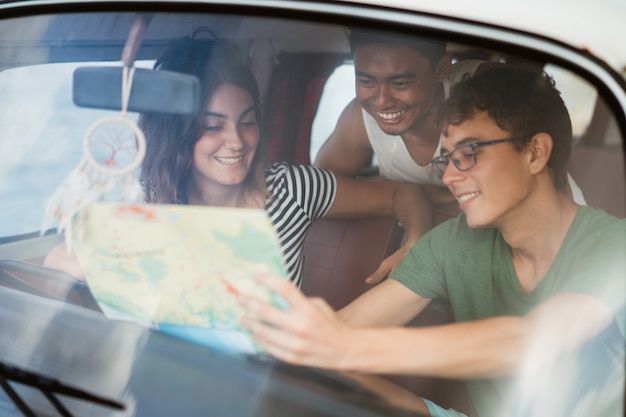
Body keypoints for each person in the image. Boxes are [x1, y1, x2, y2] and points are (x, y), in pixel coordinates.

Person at [238, 67, 625, 417]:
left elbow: (528, 344)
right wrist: (288, 344)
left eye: (469, 153)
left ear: (536, 153)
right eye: (447, 159)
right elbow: (343, 331)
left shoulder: (614, 248)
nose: (449, 178)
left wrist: (344, 345)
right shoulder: (454, 241)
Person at [44, 31, 432, 288]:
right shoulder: (150, 207)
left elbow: (403, 193)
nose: (236, 141)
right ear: (177, 133)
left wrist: (415, 241)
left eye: (247, 123)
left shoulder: (291, 188)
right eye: (212, 126)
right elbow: (56, 261)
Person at [313, 28, 586, 209]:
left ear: (442, 68)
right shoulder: (360, 119)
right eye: (367, 81)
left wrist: (428, 197)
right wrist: (406, 200)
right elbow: (318, 190)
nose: (382, 100)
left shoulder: (486, 88)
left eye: (400, 83)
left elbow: (536, 170)